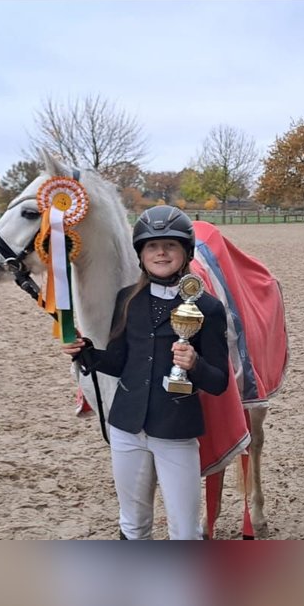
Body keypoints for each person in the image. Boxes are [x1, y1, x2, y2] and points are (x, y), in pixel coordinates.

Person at [62, 205, 230, 540]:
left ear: (186, 251)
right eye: (153, 246)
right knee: (133, 523)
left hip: (176, 431)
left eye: (170, 245)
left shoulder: (208, 308)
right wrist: (87, 353)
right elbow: (120, 362)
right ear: (142, 254)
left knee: (184, 531)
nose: (162, 252)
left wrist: (194, 364)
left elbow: (219, 381)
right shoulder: (127, 300)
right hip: (126, 427)